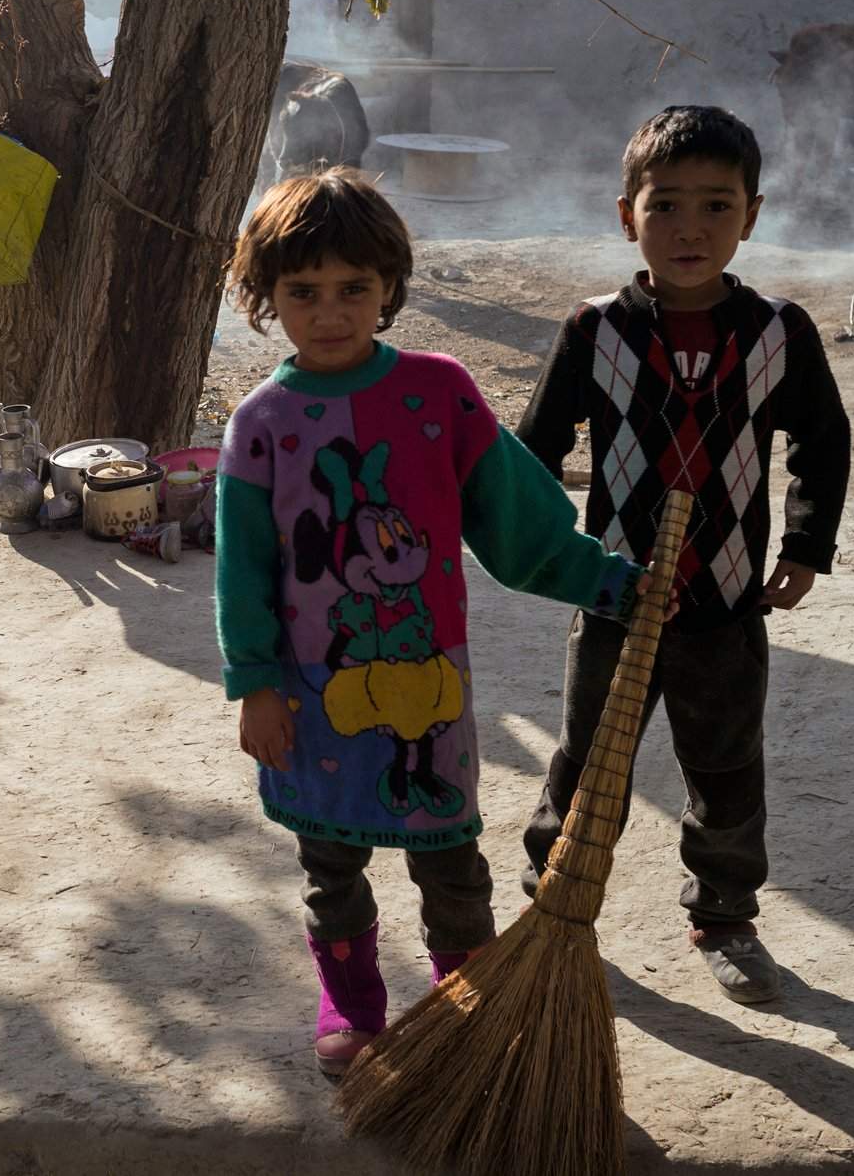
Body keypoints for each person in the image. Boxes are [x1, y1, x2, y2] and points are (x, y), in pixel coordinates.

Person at [214, 169, 663, 1077]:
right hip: (313, 698)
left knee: (449, 858)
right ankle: (351, 998)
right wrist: (255, 684)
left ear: (389, 286)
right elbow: (244, 572)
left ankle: (469, 994)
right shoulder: (259, 425)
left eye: (353, 288)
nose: (331, 312)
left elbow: (518, 520)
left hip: (429, 686)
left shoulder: (440, 395)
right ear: (269, 297)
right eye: (303, 292)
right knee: (329, 862)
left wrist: (609, 583)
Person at [514, 105, 851, 1005]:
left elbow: (822, 442)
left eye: (716, 204)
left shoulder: (780, 333)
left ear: (753, 213)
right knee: (588, 756)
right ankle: (552, 892)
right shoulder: (595, 332)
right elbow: (534, 449)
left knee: (727, 762)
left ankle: (726, 912)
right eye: (665, 205)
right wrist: (554, 552)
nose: (690, 228)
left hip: (726, 603)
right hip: (617, 596)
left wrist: (807, 545)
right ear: (626, 214)